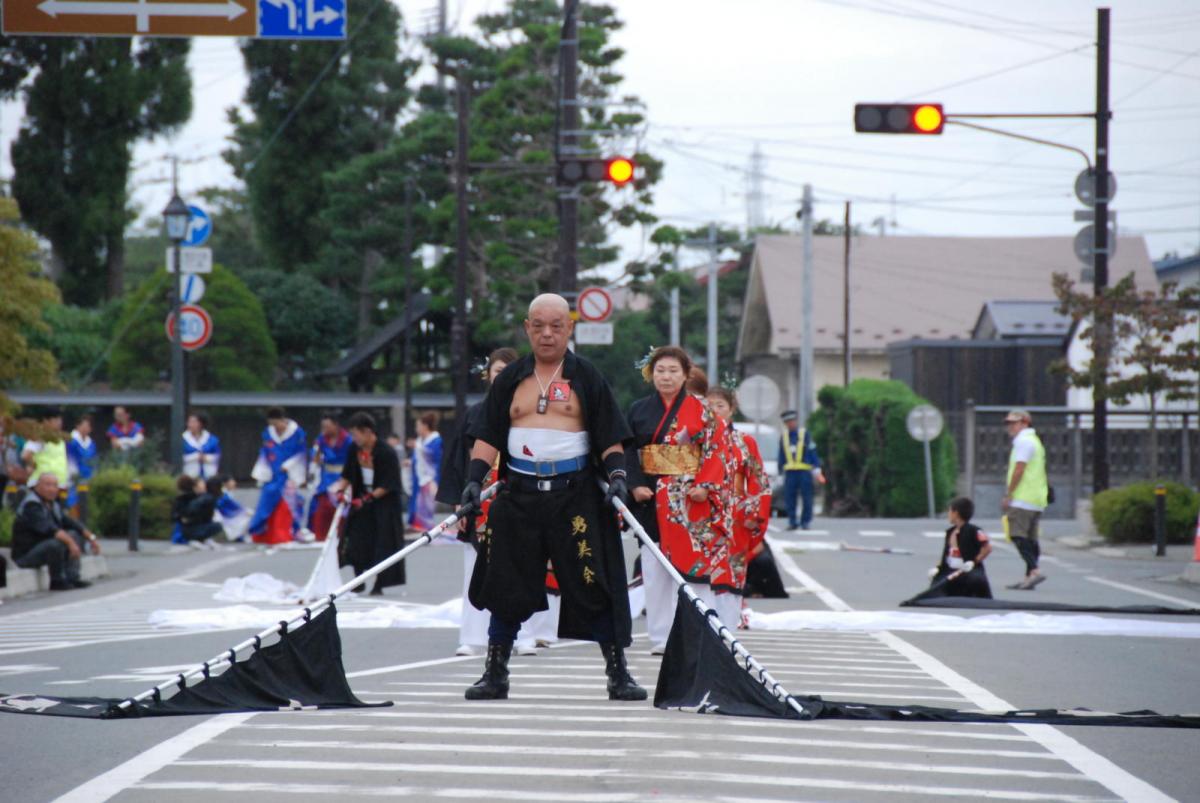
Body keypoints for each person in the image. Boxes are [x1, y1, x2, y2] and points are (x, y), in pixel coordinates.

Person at [460, 293, 645, 702]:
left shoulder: (587, 376)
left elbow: (610, 435)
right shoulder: (511, 379)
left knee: (595, 581)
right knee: (505, 584)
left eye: (556, 326)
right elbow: (488, 434)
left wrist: (618, 476)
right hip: (519, 494)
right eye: (539, 326)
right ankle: (495, 672)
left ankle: (618, 672)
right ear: (527, 328)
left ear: (569, 328)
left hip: (575, 495)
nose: (547, 334)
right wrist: (473, 480)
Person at [438, 347, 556, 657]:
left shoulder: (532, 411)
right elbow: (458, 461)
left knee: (523, 566)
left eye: (508, 371)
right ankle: (473, 636)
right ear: (488, 376)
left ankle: (524, 634)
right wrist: (459, 502)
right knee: (474, 568)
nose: (502, 377)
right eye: (497, 372)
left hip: (519, 495)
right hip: (480, 498)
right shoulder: (475, 413)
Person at [626, 346, 733, 654]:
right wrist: (635, 484)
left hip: (689, 498)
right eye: (660, 371)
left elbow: (717, 448)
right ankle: (661, 637)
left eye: (673, 371)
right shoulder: (638, 410)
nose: (666, 377)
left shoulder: (702, 412)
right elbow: (626, 449)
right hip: (650, 495)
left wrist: (705, 485)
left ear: (686, 375)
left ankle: (698, 632)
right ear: (651, 375)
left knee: (694, 566)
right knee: (654, 567)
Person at [707, 387, 771, 628]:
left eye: (720, 406)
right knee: (702, 570)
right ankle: (703, 622)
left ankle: (728, 623)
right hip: (703, 512)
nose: (715, 411)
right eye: (709, 406)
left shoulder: (745, 442)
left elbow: (758, 480)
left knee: (732, 569)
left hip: (736, 513)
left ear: (731, 409)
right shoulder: (696, 440)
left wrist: (754, 513)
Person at [331, 412, 406, 596]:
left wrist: (368, 498)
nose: (354, 438)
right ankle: (359, 579)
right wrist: (340, 491)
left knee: (382, 544)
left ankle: (379, 583)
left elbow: (389, 484)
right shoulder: (353, 449)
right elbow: (347, 474)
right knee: (356, 540)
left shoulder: (386, 452)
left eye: (356, 434)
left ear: (367, 431)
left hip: (384, 504)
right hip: (361, 500)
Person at [12, 473, 99, 590]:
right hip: (26, 555)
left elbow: (70, 522)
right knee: (56, 544)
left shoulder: (52, 504)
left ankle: (72, 577)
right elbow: (50, 529)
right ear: (37, 486)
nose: (52, 489)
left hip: (43, 547)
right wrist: (71, 544)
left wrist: (91, 538)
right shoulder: (32, 505)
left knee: (73, 534)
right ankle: (57, 580)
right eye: (48, 485)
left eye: (55, 485)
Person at [1002, 409, 1048, 590]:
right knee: (1031, 538)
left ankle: (1034, 570)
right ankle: (1029, 577)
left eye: (1014, 423)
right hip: (1036, 497)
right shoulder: (1034, 441)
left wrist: (1009, 494)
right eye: (1008, 423)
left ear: (1025, 423)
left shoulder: (1023, 442)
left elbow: (1019, 469)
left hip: (1023, 497)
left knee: (1017, 535)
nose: (1010, 427)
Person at [249, 407, 309, 544]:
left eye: (276, 424)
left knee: (287, 504)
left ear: (282, 420)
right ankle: (264, 534)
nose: (275, 427)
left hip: (289, 474)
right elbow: (265, 452)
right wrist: (263, 472)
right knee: (266, 503)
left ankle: (286, 534)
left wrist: (287, 465)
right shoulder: (268, 433)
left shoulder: (297, 433)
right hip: (272, 475)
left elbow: (301, 453)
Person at [925, 496, 993, 598]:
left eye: (949, 511)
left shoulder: (973, 530)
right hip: (951, 571)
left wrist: (974, 561)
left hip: (967, 571)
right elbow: (947, 555)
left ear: (955, 513)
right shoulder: (950, 532)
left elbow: (987, 548)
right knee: (937, 585)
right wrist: (938, 568)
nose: (948, 514)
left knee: (975, 580)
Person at [308, 412, 352, 541]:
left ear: (336, 425)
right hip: (326, 477)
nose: (325, 429)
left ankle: (342, 536)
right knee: (321, 507)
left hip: (343, 476)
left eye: (327, 426)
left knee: (341, 508)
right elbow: (315, 459)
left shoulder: (348, 440)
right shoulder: (321, 440)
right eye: (323, 427)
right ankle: (320, 536)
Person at [778, 409, 823, 531]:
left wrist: (817, 466)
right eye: (788, 422)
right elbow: (781, 455)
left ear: (796, 421)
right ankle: (792, 521)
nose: (790, 423)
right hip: (790, 473)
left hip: (804, 472)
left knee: (807, 498)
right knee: (790, 498)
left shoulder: (804, 434)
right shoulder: (784, 437)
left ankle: (805, 522)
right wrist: (780, 472)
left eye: (792, 421)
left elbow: (812, 450)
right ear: (785, 423)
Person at [22, 410, 68, 498]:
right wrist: (33, 465)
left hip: (58, 484)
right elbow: (26, 455)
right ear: (46, 421)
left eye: (60, 420)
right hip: (42, 485)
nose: (59, 423)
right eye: (56, 420)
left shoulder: (60, 438)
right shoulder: (40, 436)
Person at [410, 411, 443, 531]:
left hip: (429, 477)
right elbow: (417, 458)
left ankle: (426, 527)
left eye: (418, 426)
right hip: (419, 476)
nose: (417, 429)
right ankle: (416, 525)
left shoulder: (436, 440)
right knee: (417, 501)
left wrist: (419, 448)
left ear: (425, 426)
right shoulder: (420, 441)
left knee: (426, 503)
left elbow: (433, 456)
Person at [171, 476, 223, 549]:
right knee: (216, 526)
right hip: (188, 528)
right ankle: (195, 540)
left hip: (196, 525)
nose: (205, 485)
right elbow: (177, 514)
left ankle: (204, 539)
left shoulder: (202, 497)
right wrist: (182, 518)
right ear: (195, 486)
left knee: (216, 525)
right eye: (202, 483)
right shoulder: (188, 498)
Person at [65, 413, 98, 516]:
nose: (86, 428)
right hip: (74, 477)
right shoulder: (70, 440)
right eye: (83, 425)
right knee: (73, 502)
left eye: (88, 426)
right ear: (77, 425)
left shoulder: (91, 443)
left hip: (89, 477)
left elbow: (94, 460)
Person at [211, 474, 252, 543]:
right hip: (223, 517)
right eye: (232, 481)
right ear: (225, 483)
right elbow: (234, 507)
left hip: (225, 515)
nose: (234, 483)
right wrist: (243, 511)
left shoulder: (227, 493)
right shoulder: (223, 494)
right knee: (247, 517)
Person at [181, 411, 221, 480]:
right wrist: (196, 456)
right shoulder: (183, 439)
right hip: (189, 474)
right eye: (189, 422)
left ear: (201, 423)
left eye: (194, 422)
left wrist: (205, 457)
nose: (190, 425)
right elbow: (179, 457)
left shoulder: (211, 439)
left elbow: (217, 456)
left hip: (209, 474)